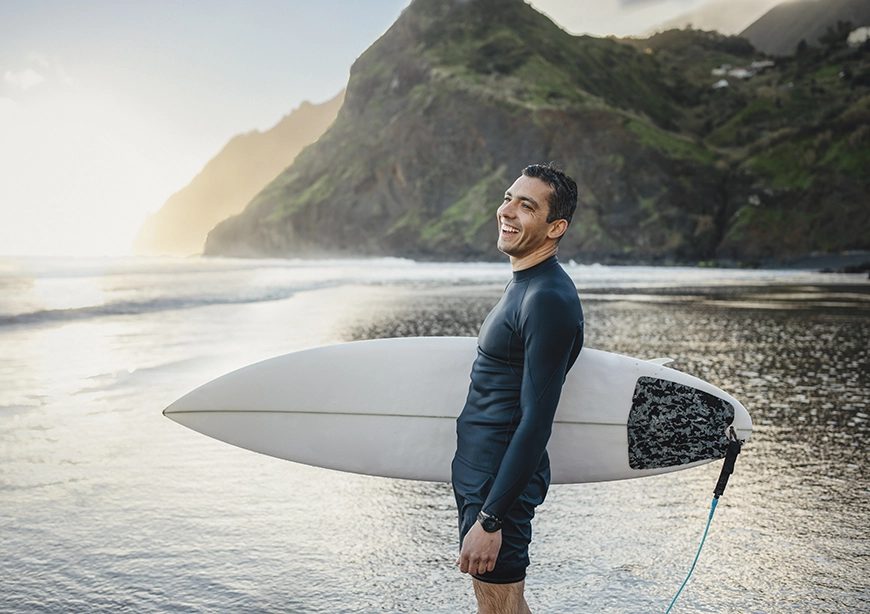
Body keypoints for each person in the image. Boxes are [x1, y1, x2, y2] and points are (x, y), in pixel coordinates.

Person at [452, 163, 584, 614]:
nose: (507, 210)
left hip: (497, 487)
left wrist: (492, 517)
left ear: (555, 228)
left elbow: (536, 421)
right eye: (508, 197)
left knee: (500, 608)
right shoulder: (524, 284)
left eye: (526, 206)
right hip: (483, 478)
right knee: (499, 607)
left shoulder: (548, 298)